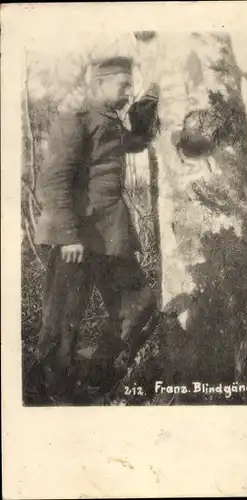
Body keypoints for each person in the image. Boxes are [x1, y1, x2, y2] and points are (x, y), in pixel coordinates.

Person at [34, 56, 159, 402]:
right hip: (76, 237)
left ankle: (95, 376)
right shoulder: (75, 119)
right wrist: (68, 237)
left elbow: (130, 144)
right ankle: (46, 398)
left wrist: (148, 105)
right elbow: (54, 181)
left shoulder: (109, 121)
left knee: (138, 302)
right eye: (123, 85)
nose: (127, 91)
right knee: (61, 323)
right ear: (100, 83)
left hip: (109, 236)